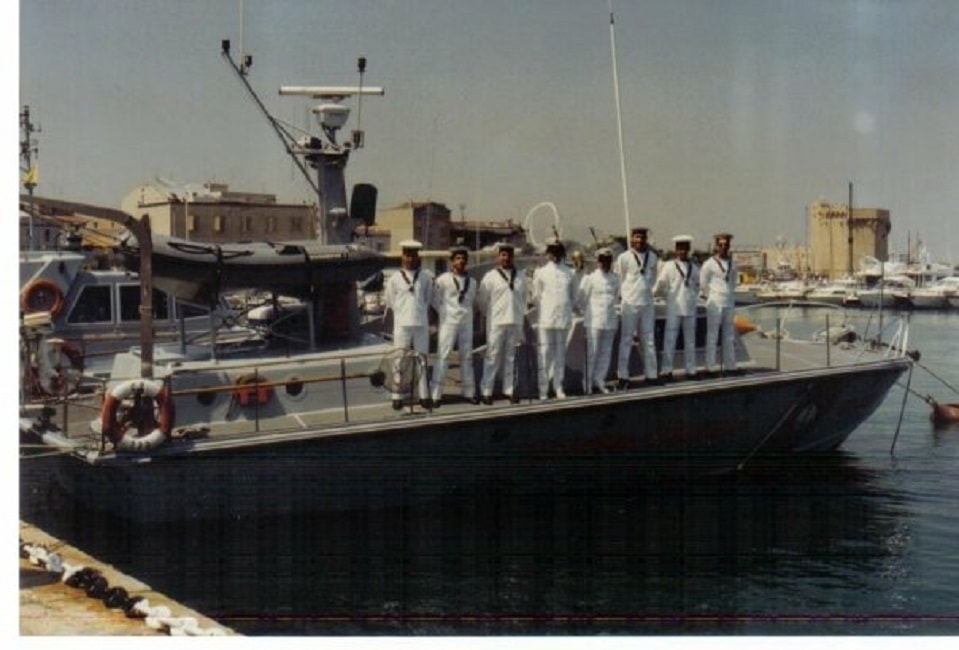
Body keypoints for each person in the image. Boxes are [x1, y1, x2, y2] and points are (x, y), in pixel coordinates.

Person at [382, 239, 434, 409]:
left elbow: (428, 299)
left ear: (417, 257)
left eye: (413, 255)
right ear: (402, 257)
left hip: (420, 323)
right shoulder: (394, 279)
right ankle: (397, 396)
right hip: (402, 324)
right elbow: (390, 300)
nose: (410, 259)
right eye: (407, 255)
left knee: (422, 360)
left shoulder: (426, 277)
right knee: (400, 360)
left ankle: (424, 395)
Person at [477, 242, 528, 404]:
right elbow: (482, 301)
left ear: (513, 257)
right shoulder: (490, 277)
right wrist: (490, 315)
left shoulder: (521, 276)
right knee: (492, 357)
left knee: (511, 358)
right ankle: (486, 390)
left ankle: (510, 389)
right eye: (503, 255)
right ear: (498, 257)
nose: (506, 258)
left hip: (514, 320)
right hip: (496, 322)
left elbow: (524, 298)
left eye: (509, 255)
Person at [430, 245, 478, 406]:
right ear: (452, 261)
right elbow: (434, 298)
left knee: (466, 357)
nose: (461, 261)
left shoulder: (472, 282)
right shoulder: (443, 279)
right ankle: (436, 394)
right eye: (457, 258)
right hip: (448, 321)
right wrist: (443, 312)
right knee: (443, 356)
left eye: (464, 258)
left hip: (466, 321)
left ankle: (469, 392)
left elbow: (472, 302)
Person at [531, 237, 576, 400]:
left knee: (560, 355)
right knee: (545, 354)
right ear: (548, 253)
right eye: (552, 251)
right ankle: (543, 389)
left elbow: (573, 296)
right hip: (546, 318)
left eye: (558, 251)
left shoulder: (570, 272)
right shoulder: (541, 272)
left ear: (562, 253)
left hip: (563, 318)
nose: (555, 255)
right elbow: (536, 297)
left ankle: (558, 386)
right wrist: (546, 309)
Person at [615, 226, 659, 388]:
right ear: (632, 239)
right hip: (630, 303)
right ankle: (623, 376)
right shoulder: (624, 258)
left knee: (648, 340)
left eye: (642, 237)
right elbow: (620, 279)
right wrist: (624, 298)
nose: (639, 240)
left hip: (647, 303)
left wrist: (650, 292)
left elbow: (654, 278)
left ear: (646, 239)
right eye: (636, 237)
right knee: (626, 340)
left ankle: (652, 374)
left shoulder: (653, 257)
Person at [653, 235, 700, 380]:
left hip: (690, 307)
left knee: (690, 341)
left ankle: (691, 370)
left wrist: (692, 297)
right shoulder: (669, 266)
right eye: (680, 248)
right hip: (674, 307)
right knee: (670, 340)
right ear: (676, 250)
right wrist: (667, 297)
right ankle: (667, 370)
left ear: (689, 249)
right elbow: (661, 285)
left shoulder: (694, 268)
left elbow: (697, 286)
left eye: (685, 248)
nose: (682, 251)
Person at [577, 247, 620, 394]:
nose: (604, 263)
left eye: (607, 260)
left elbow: (615, 297)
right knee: (592, 352)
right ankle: (587, 383)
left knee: (606, 352)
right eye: (602, 260)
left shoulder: (615, 279)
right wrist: (588, 311)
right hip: (594, 320)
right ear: (597, 261)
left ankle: (599, 380)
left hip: (609, 320)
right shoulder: (590, 278)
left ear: (611, 261)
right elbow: (581, 299)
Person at [700, 231, 739, 375]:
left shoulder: (733, 263)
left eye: (726, 244)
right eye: (721, 244)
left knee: (729, 335)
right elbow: (703, 283)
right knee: (712, 335)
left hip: (728, 301)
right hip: (714, 301)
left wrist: (729, 294)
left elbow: (734, 281)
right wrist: (711, 296)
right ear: (716, 246)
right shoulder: (709, 264)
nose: (724, 247)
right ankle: (710, 367)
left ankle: (730, 366)